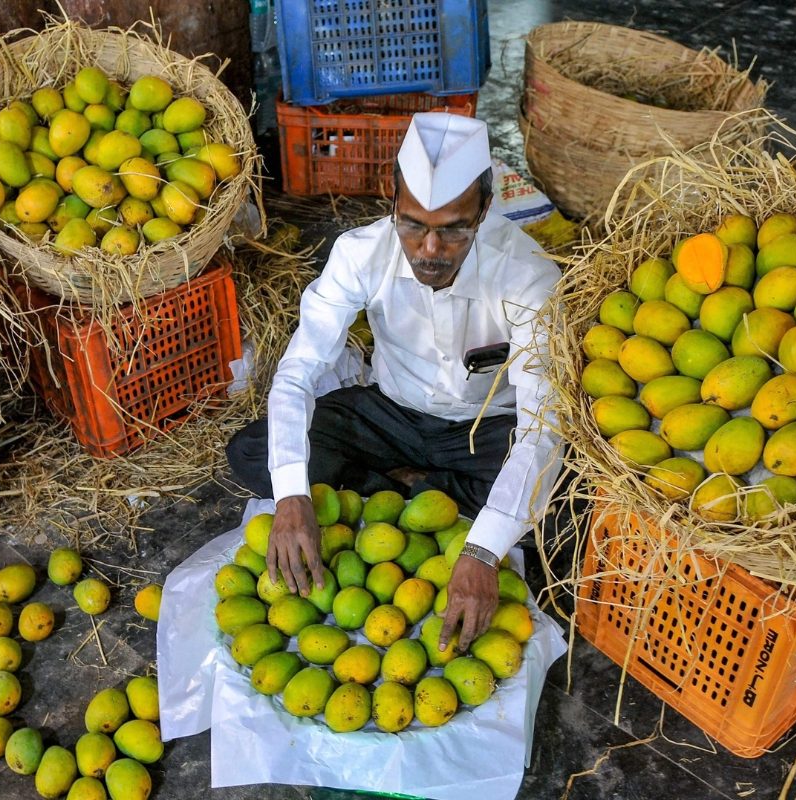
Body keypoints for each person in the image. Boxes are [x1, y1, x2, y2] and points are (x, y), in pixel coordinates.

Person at [226, 112, 560, 653]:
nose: (430, 249)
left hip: (483, 430)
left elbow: (542, 425)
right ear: (391, 199)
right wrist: (290, 496)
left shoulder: (527, 276)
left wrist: (480, 555)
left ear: (485, 206)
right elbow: (298, 371)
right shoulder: (361, 254)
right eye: (413, 225)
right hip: (391, 413)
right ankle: (425, 497)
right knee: (253, 451)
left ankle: (407, 495)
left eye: (453, 228)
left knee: (564, 507)